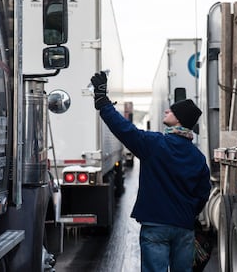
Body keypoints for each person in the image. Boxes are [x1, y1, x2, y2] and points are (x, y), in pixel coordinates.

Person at [90, 71, 211, 272]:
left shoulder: (154, 144)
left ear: (179, 120)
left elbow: (123, 129)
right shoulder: (197, 157)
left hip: (155, 226)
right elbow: (203, 193)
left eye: (171, 111)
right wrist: (188, 213)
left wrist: (102, 101)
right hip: (184, 228)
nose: (165, 112)